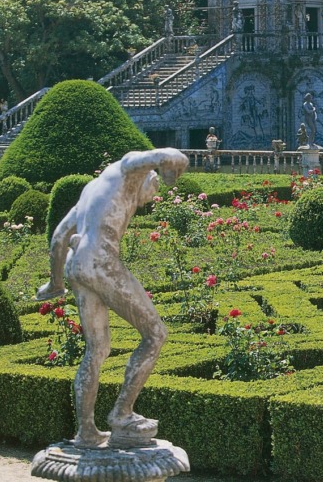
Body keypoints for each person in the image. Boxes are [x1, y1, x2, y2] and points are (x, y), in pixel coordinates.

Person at [37, 148, 189, 449]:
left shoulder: (90, 191)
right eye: (153, 189)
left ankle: (86, 432)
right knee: (155, 334)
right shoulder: (128, 171)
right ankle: (122, 413)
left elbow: (59, 237)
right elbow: (151, 158)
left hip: (76, 264)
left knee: (97, 349)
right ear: (146, 178)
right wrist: (174, 161)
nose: (149, 199)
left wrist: (55, 284)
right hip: (101, 262)